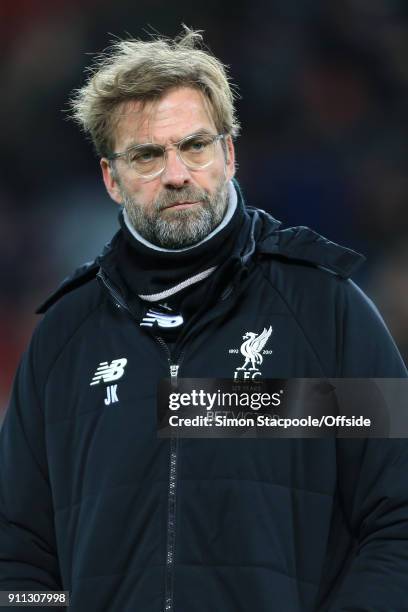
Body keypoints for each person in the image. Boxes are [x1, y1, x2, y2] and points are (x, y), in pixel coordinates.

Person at [1, 27, 407, 612]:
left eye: (195, 145)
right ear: (111, 179)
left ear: (230, 154)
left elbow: (396, 515)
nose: (177, 174)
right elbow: (16, 550)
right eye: (146, 154)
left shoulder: (323, 310)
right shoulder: (65, 337)